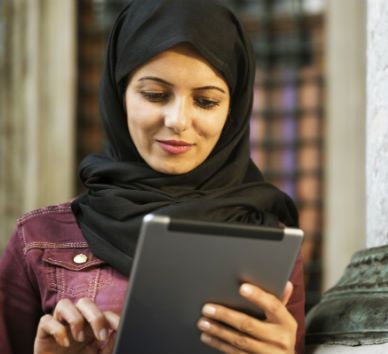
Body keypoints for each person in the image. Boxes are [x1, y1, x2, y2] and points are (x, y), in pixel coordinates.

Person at [0, 1, 305, 353]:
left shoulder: (269, 242)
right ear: (119, 95)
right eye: (155, 95)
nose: (178, 119)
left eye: (206, 101)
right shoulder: (40, 239)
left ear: (234, 111)